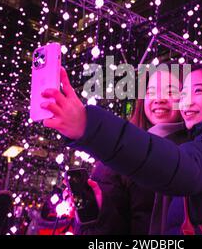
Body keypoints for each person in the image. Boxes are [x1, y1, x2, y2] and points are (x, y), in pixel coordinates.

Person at [40, 63, 202, 234]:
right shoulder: (117, 156)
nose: (182, 101)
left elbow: (180, 169)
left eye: (175, 91)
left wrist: (88, 125)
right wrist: (95, 214)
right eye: (184, 94)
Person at [76, 67, 189, 235]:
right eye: (150, 92)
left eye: (171, 92)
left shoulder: (199, 151)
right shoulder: (119, 152)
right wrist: (99, 209)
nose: (159, 99)